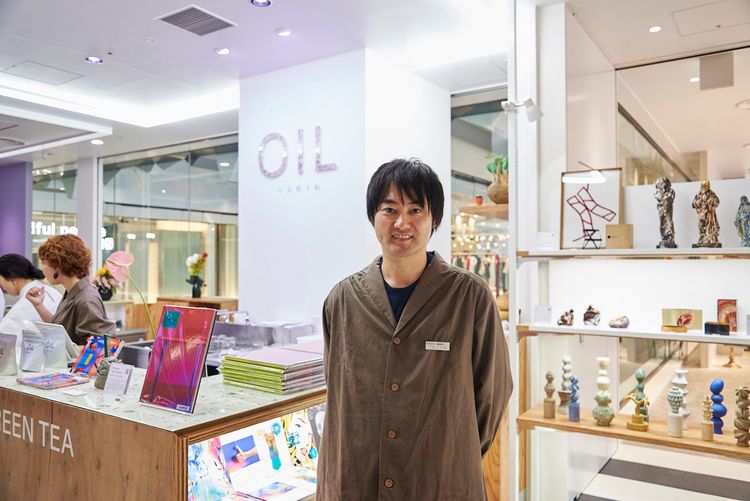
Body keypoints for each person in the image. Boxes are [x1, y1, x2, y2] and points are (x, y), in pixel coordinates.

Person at [317, 158, 513, 500]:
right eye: (389, 210)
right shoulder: (343, 300)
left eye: (415, 210)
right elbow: (336, 391)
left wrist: (452, 451)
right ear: (373, 216)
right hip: (357, 480)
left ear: (433, 219)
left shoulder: (469, 296)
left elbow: (493, 394)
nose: (401, 223)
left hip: (439, 482)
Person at [26, 234, 115, 345]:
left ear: (58, 265)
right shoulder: (72, 292)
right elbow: (59, 330)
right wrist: (38, 305)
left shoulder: (86, 299)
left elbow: (98, 347)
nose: (42, 269)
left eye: (44, 263)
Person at [0, 254, 63, 356]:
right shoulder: (52, 291)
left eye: (1, 282)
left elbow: (3, 340)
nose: (2, 287)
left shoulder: (24, 305)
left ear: (12, 277)